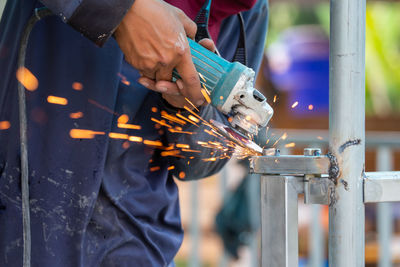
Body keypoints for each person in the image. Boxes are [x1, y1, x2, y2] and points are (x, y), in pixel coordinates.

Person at [0, 0, 268, 266]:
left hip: (138, 238)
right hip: (32, 216)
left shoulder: (245, 9)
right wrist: (123, 9)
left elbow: (198, 163)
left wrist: (190, 107)